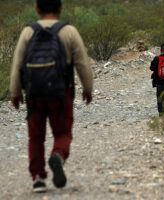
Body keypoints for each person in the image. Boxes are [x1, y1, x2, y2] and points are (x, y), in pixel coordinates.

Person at [10, 0, 93, 193]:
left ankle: (38, 177)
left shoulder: (28, 32)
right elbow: (82, 63)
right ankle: (58, 155)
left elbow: (17, 64)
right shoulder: (69, 31)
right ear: (61, 8)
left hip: (34, 94)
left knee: (35, 137)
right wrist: (88, 88)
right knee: (63, 133)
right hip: (60, 94)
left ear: (37, 9)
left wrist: (15, 92)